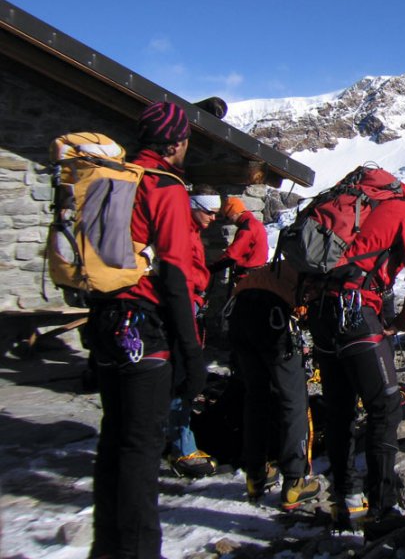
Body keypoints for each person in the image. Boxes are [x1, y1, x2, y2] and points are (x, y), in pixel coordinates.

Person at [87, 101, 206, 559]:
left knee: (114, 438)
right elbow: (175, 273)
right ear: (175, 143)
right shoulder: (164, 186)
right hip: (145, 328)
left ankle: (106, 548)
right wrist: (190, 350)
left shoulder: (115, 178)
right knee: (141, 448)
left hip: (105, 322)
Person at [305, 173, 405, 538]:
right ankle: (382, 508)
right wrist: (401, 323)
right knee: (384, 406)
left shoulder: (354, 203)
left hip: (320, 314)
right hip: (356, 312)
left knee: (340, 409)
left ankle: (344, 500)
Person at [227, 262, 322, 510]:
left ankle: (256, 474)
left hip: (240, 309)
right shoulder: (319, 265)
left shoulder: (284, 263)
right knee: (293, 399)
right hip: (273, 315)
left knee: (256, 395)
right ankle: (295, 480)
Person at [164, 185, 220, 478]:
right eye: (209, 212)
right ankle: (182, 449)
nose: (213, 218)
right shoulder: (182, 235)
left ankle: (173, 442)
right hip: (183, 310)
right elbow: (183, 276)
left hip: (187, 306)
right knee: (183, 378)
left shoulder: (188, 231)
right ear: (194, 206)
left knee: (178, 378)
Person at [209, 196, 269, 284]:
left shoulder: (247, 228)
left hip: (249, 277)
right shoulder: (254, 223)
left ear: (234, 213)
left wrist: (211, 269)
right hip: (258, 274)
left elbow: (232, 255)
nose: (229, 221)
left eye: (228, 218)